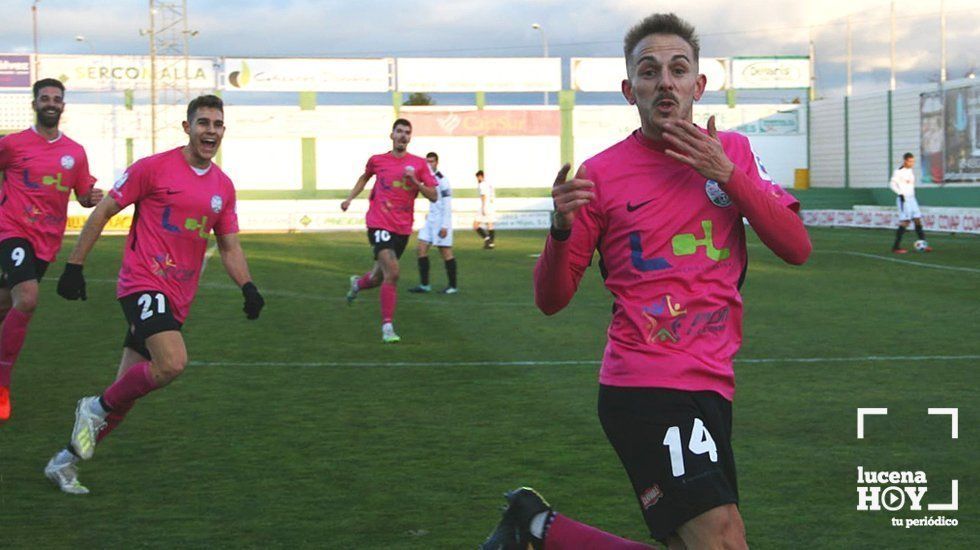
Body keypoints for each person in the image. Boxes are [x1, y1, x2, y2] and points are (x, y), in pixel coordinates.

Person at [480, 13, 811, 549]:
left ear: (697, 86)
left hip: (713, 381)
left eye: (678, 69)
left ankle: (537, 528)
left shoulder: (736, 153)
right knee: (724, 541)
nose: (664, 82)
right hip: (647, 382)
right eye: (649, 71)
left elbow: (796, 246)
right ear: (628, 89)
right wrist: (560, 229)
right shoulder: (600, 175)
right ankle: (536, 528)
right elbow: (551, 300)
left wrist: (727, 175)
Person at [43, 95, 265, 494]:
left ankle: (65, 462)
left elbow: (230, 247)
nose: (209, 130)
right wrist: (74, 265)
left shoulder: (223, 187)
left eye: (217, 124)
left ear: (223, 131)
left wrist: (247, 286)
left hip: (178, 295)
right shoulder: (153, 168)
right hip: (143, 282)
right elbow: (104, 211)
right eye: (202, 123)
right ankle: (91, 407)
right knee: (173, 362)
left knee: (125, 395)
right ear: (187, 128)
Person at [0, 78, 102, 422]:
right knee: (27, 298)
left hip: (46, 243)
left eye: (57, 99)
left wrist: (91, 197)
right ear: (34, 104)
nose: (51, 103)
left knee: (5, 307)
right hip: (12, 232)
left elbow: (84, 192)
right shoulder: (13, 145)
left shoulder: (75, 153)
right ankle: (2, 388)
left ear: (63, 106)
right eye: (44, 98)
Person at [342, 119, 438, 343]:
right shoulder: (377, 160)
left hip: (402, 228)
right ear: (392, 135)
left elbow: (433, 195)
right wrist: (349, 198)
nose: (403, 136)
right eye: (399, 131)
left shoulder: (419, 164)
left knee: (378, 278)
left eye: (407, 133)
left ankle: (357, 284)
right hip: (378, 223)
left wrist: (415, 180)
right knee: (393, 272)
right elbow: (364, 178)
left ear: (410, 138)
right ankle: (387, 327)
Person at [409, 152, 458, 294]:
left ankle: (453, 286)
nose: (429, 164)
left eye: (432, 161)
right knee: (421, 249)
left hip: (441, 221)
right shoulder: (426, 179)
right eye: (427, 162)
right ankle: (425, 285)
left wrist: (445, 226)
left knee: (446, 253)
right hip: (430, 220)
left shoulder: (443, 180)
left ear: (437, 163)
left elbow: (447, 205)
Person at [890, 152, 931, 253]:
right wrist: (900, 193)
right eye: (910, 161)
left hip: (912, 198)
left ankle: (923, 244)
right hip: (904, 199)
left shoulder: (910, 171)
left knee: (917, 219)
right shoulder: (898, 171)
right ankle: (896, 247)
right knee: (905, 221)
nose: (912, 163)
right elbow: (891, 184)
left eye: (913, 161)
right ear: (905, 161)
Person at [473, 170, 496, 249]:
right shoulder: (489, 185)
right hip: (491, 206)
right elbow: (492, 195)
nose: (477, 179)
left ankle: (487, 239)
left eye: (477, 177)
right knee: (490, 224)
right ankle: (491, 244)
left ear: (480, 176)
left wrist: (483, 207)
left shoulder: (482, 184)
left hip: (485, 205)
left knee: (475, 225)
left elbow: (483, 196)